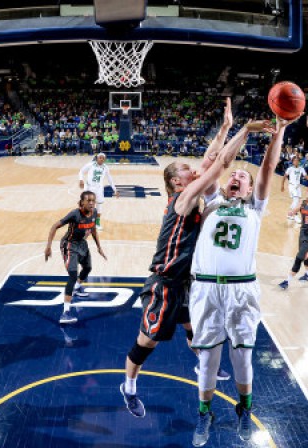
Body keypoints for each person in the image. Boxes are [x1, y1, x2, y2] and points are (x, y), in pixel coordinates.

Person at [119, 97, 270, 420]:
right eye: (189, 171)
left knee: (195, 330)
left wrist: (225, 127)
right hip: (166, 281)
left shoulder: (191, 191)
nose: (196, 170)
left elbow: (209, 160)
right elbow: (217, 165)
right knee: (147, 342)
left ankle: (205, 365)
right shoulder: (184, 198)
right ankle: (129, 386)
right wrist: (243, 131)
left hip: (189, 281)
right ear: (178, 181)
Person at [188, 116, 292, 446]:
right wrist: (242, 130)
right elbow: (216, 162)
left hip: (242, 289)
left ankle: (244, 409)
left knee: (242, 358)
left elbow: (266, 168)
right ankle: (204, 414)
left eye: (242, 178)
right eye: (233, 175)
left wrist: (281, 131)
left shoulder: (255, 209)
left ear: (249, 190)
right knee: (207, 359)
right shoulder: (212, 200)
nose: (236, 177)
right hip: (205, 287)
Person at [44, 191, 107, 324]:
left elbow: (93, 229)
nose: (91, 203)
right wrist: (48, 246)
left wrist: (99, 247)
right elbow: (55, 226)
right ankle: (65, 313)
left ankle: (77, 287)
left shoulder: (94, 212)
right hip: (69, 245)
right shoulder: (75, 214)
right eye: (88, 201)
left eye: (93, 200)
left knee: (88, 268)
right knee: (73, 275)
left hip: (82, 244)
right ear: (82, 202)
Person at [78, 153, 120, 231]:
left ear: (104, 159)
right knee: (86, 206)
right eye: (100, 158)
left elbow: (110, 179)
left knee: (99, 206)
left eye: (103, 158)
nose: (101, 159)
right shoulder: (91, 164)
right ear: (97, 158)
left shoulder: (106, 168)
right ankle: (83, 222)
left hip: (99, 189)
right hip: (89, 187)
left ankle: (97, 223)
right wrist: (81, 180)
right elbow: (81, 171)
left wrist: (115, 190)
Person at [281, 155, 308, 224]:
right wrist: (282, 185)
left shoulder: (301, 168)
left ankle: (289, 214)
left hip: (298, 186)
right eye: (295, 160)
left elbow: (306, 176)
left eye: (297, 161)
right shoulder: (290, 169)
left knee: (298, 202)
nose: (296, 162)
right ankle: (295, 215)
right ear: (292, 162)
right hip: (292, 186)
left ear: (299, 162)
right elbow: (284, 177)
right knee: (296, 200)